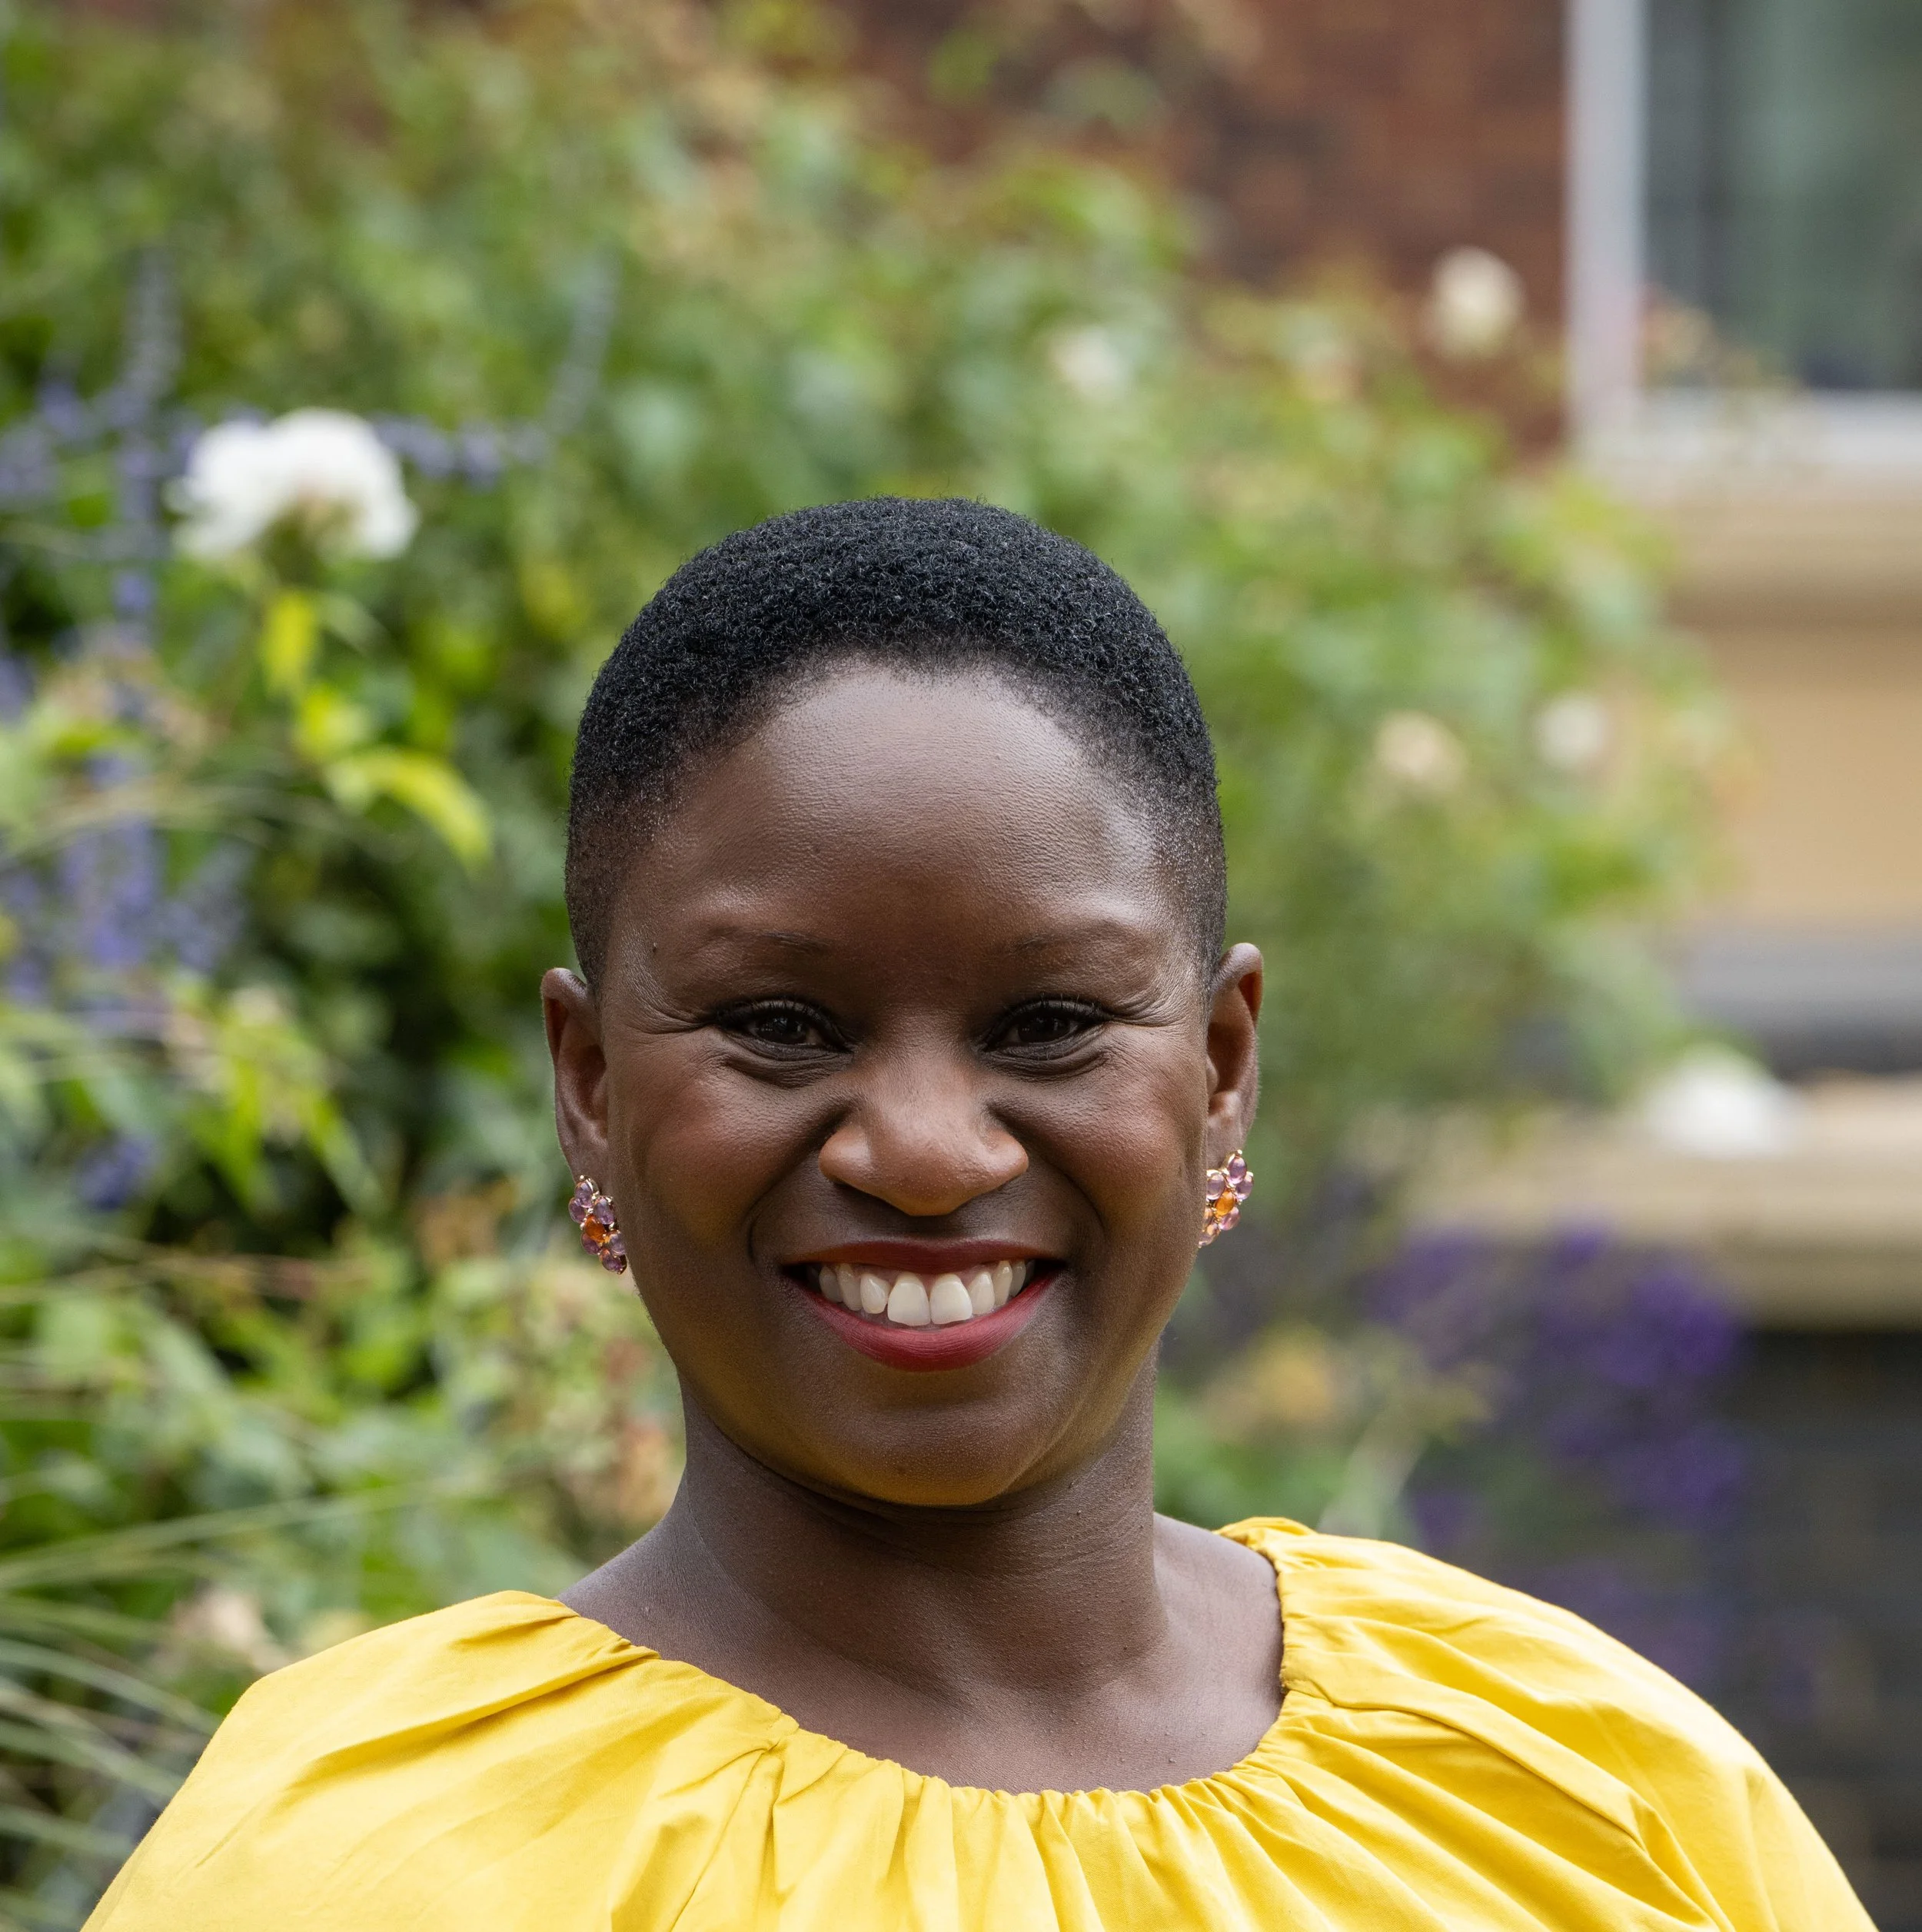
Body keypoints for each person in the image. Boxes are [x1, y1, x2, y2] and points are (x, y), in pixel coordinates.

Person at [88, 498, 1869, 1930]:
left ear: (1223, 1066)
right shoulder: (365, 1860)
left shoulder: (1580, 1785)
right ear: (589, 1084)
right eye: (781, 1026)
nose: (927, 1151)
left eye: (1049, 1023)